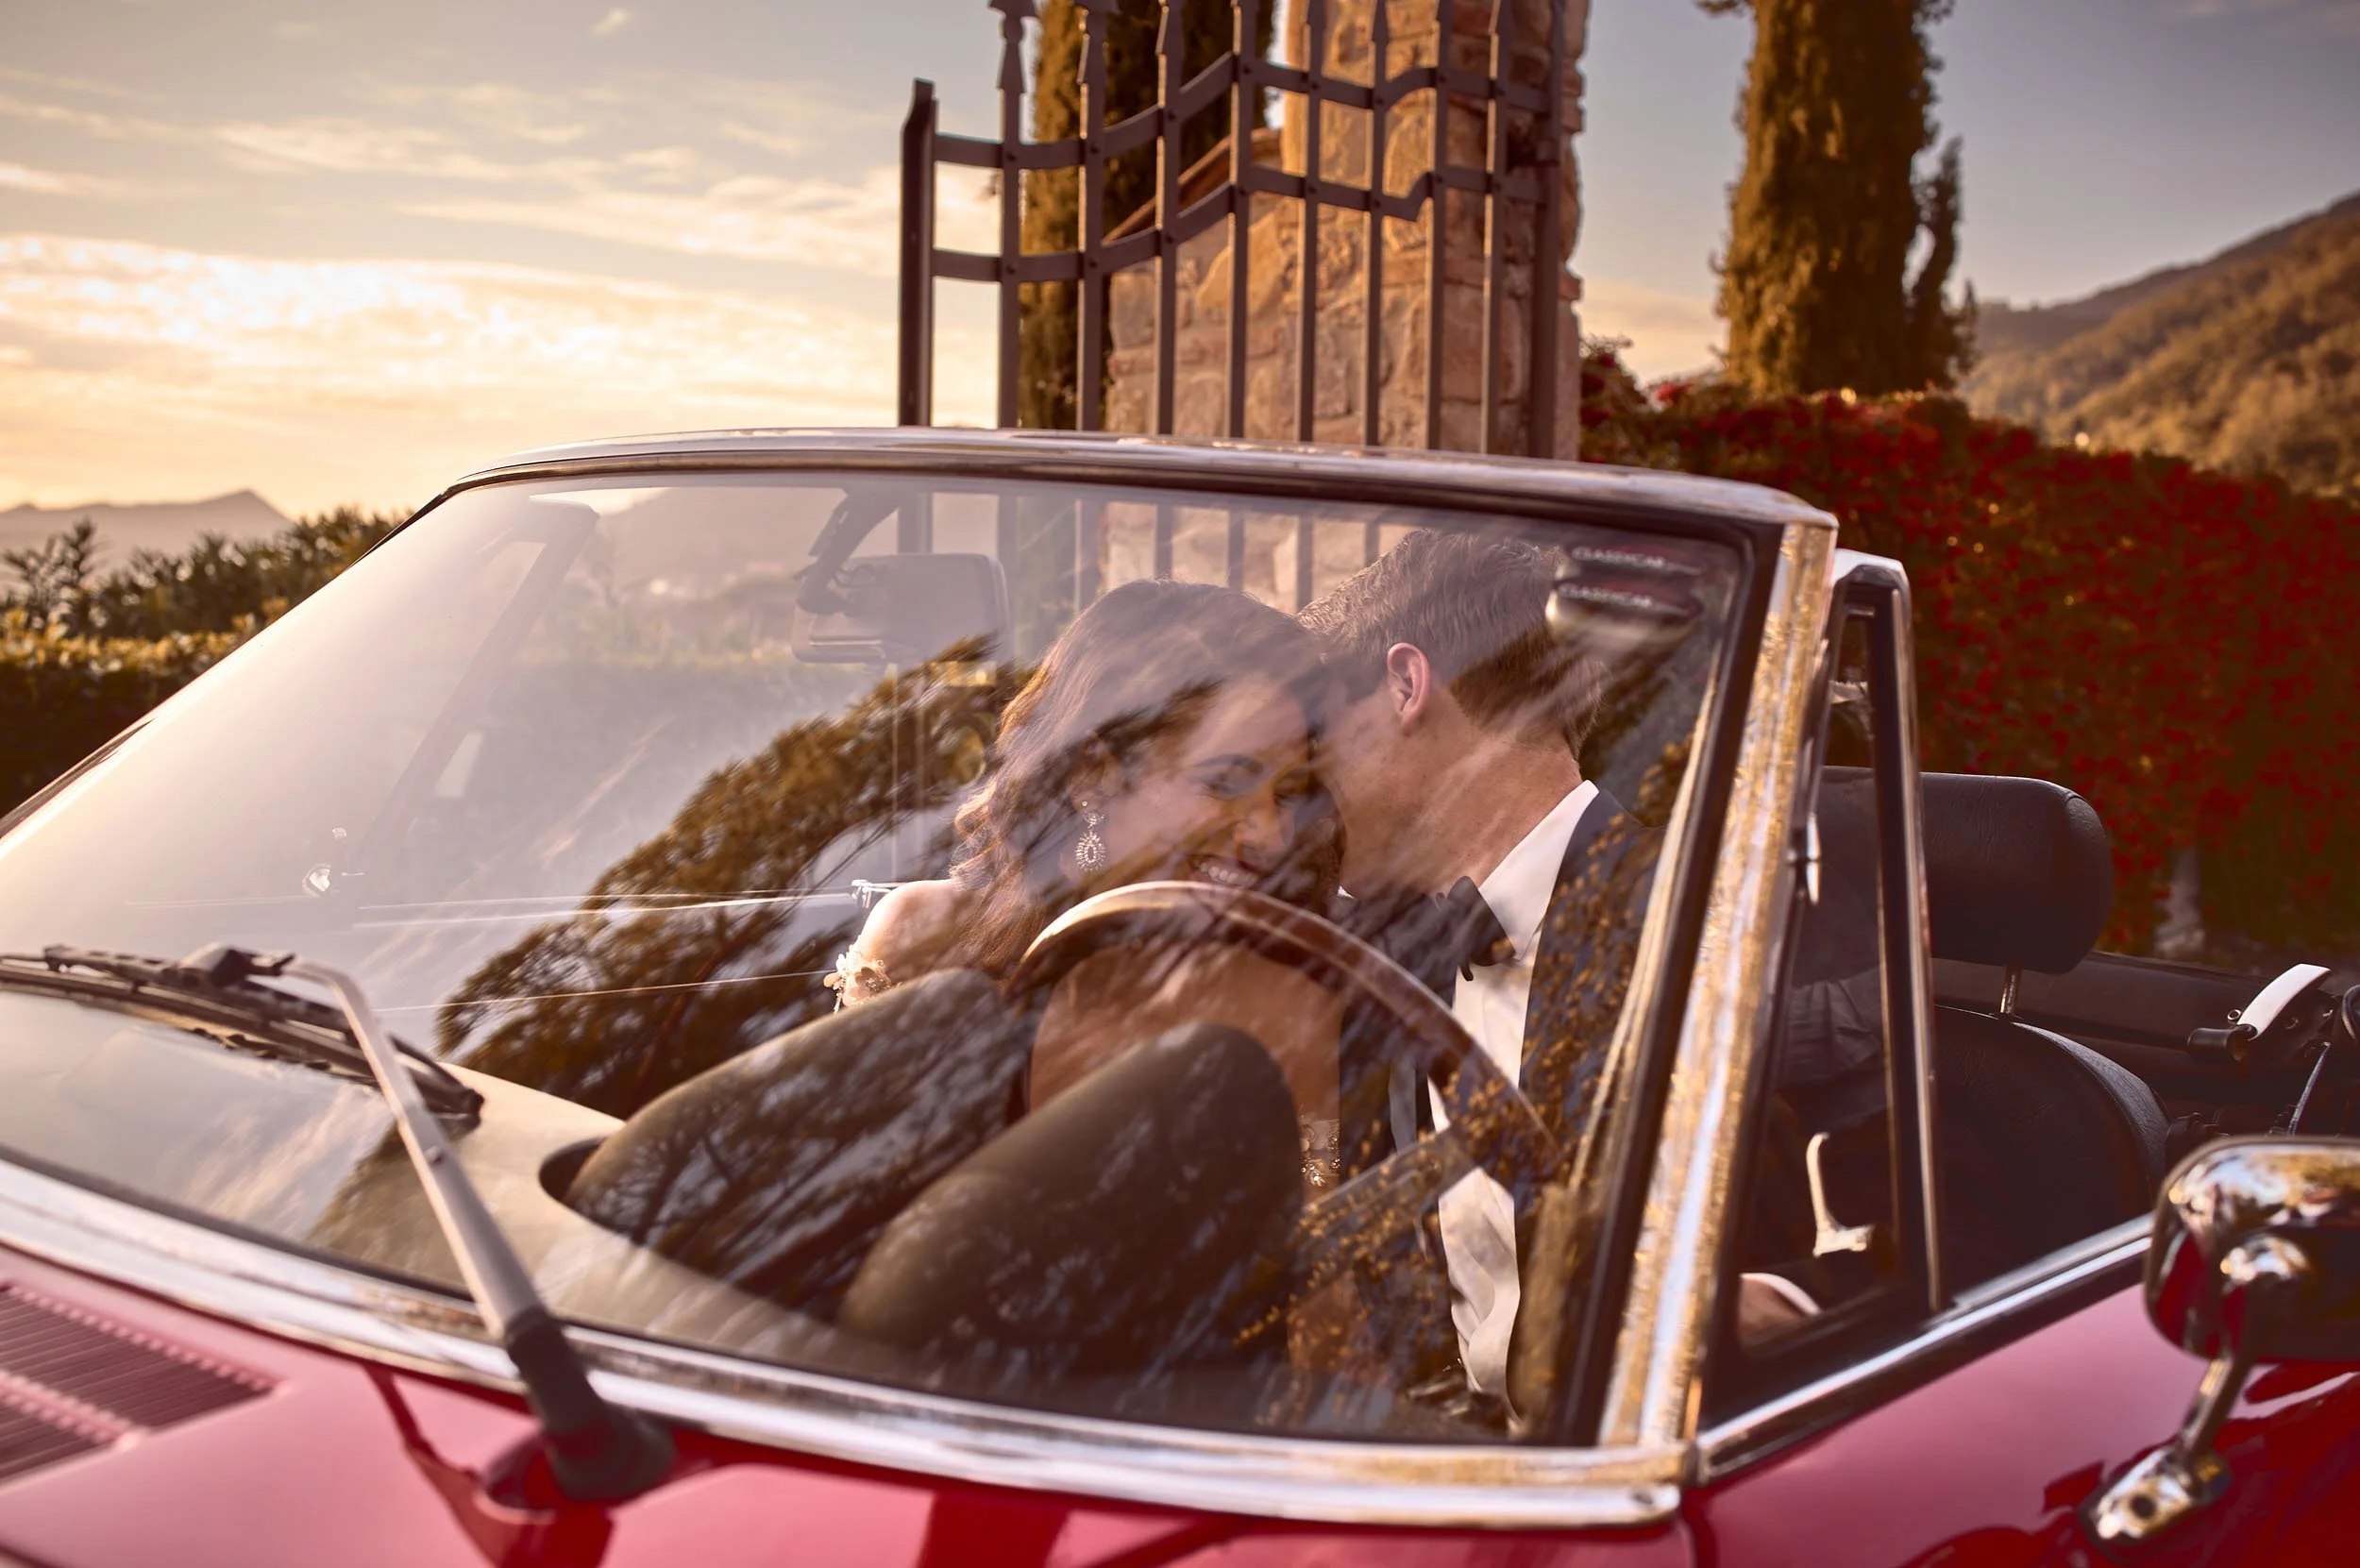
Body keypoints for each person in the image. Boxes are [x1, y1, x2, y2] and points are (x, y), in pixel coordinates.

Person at [1299, 530, 1813, 1412]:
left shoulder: (1710, 920)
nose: (1308, 779)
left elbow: (1865, 1221)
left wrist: (1768, 1311)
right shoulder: (1382, 946)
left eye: (1320, 735)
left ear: (1404, 684)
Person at [826, 576, 1346, 1179]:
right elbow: (836, 1201)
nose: (1270, 834)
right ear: (1093, 775)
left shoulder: (1283, 981)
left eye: (1288, 794)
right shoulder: (923, 940)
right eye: (1225, 783)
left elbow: (1317, 1220)